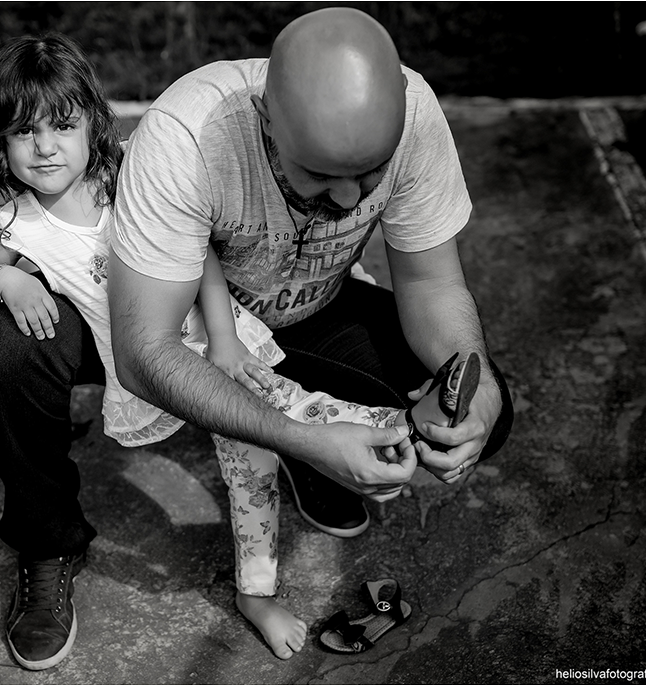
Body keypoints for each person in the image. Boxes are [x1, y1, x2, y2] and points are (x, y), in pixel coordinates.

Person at [0, 31, 435, 668]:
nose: (44, 148)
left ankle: (394, 443)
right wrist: (4, 279)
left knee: (277, 435)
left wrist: (228, 342)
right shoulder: (15, 221)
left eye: (61, 126)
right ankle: (239, 587)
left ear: (92, 125)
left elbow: (200, 253)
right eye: (23, 132)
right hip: (135, 362)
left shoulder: (124, 175)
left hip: (215, 345)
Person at [108, 0, 513, 645]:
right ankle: (44, 544)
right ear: (266, 120)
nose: (351, 199)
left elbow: (432, 280)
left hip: (314, 312)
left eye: (369, 174)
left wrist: (472, 381)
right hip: (192, 324)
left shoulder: (416, 113)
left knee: (483, 415)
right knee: (11, 348)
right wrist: (302, 439)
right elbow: (143, 353)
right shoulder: (185, 136)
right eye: (322, 174)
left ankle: (320, 441)